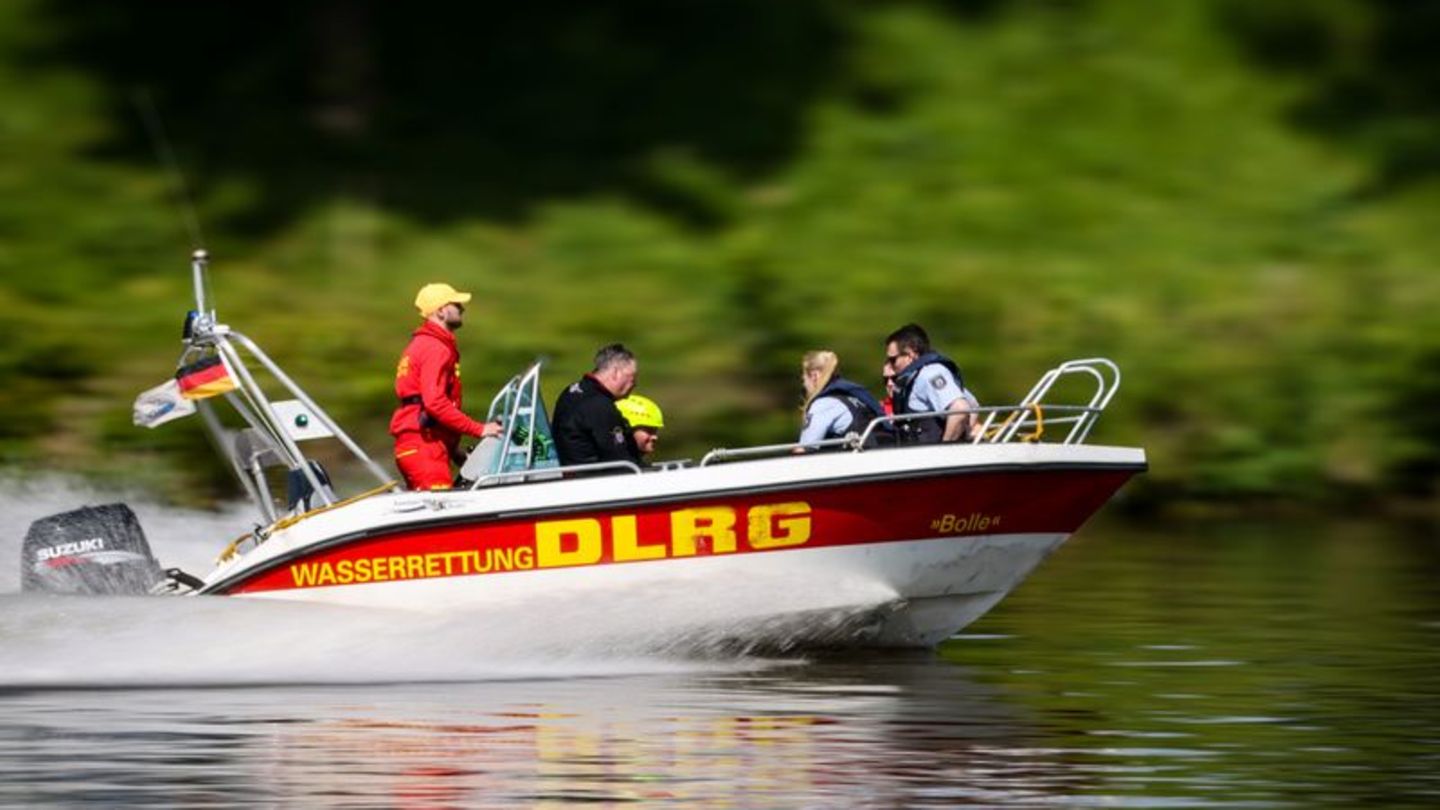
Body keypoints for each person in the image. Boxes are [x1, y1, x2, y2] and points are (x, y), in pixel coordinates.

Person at [390, 283, 503, 490]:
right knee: (442, 510)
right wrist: (480, 430)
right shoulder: (435, 348)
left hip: (421, 445)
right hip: (425, 449)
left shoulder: (424, 343)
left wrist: (455, 452)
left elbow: (424, 408)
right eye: (456, 304)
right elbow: (434, 403)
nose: (462, 308)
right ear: (441, 311)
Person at [882, 323, 979, 444]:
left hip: (934, 458)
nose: (890, 365)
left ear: (910, 355)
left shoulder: (929, 374)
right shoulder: (917, 377)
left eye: (893, 360)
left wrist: (946, 448)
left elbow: (961, 408)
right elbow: (973, 404)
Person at [552, 343, 643, 468]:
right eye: (632, 378)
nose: (634, 384)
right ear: (616, 373)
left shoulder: (572, 390)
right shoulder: (599, 405)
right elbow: (620, 459)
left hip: (572, 473)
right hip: (591, 479)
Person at [797, 350, 887, 448]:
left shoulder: (823, 404)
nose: (804, 386)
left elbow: (805, 448)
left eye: (804, 380)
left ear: (814, 376)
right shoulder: (855, 397)